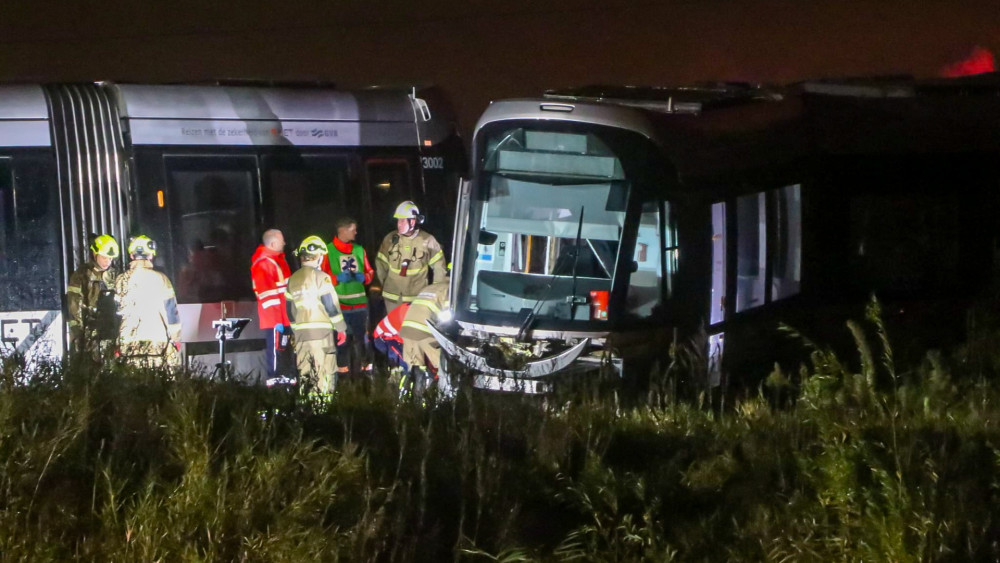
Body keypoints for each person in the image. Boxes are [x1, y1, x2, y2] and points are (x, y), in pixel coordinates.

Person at [285, 236, 348, 395]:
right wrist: (341, 328)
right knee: (324, 372)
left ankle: (307, 404)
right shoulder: (322, 277)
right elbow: (331, 307)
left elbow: (290, 311)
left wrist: (296, 330)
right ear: (318, 256)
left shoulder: (292, 280)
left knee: (306, 372)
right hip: (321, 334)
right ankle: (323, 406)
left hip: (301, 335)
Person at [114, 235, 182, 369]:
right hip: (156, 343)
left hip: (127, 344)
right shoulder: (162, 279)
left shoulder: (120, 280)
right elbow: (171, 314)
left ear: (132, 256)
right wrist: (176, 339)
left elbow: (116, 312)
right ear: (151, 255)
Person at [321, 216, 375, 377]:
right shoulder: (327, 251)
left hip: (360, 305)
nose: (356, 232)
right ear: (342, 231)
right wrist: (336, 278)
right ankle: (343, 378)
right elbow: (321, 278)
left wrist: (364, 277)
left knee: (363, 342)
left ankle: (367, 376)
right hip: (340, 307)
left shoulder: (359, 250)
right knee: (342, 344)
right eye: (353, 229)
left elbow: (370, 273)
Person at [376, 201, 447, 314]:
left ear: (412, 222)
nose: (399, 224)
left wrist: (435, 293)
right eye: (398, 220)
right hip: (392, 298)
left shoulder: (428, 240)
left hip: (416, 298)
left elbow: (439, 268)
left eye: (402, 220)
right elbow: (380, 265)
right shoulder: (390, 239)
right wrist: (381, 285)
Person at [66, 233, 120, 358]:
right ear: (95, 254)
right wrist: (78, 334)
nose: (107, 261)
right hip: (90, 333)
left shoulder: (115, 275)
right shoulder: (82, 275)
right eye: (104, 257)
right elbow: (74, 305)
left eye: (110, 258)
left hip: (112, 330)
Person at [251, 229, 291, 379]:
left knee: (283, 354)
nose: (285, 243)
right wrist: (276, 321)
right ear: (273, 243)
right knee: (275, 355)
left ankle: (284, 382)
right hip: (276, 319)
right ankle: (274, 383)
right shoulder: (264, 263)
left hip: (284, 317)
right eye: (282, 240)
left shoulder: (277, 261)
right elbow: (268, 297)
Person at [399, 280, 450, 395]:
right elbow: (449, 317)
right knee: (442, 367)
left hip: (407, 329)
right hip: (426, 331)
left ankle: (403, 397)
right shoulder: (449, 290)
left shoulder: (429, 288)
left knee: (413, 367)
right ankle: (434, 397)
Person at [372, 302, 410, 373]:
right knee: (405, 362)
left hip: (393, 337)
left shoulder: (409, 309)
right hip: (383, 339)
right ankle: (398, 373)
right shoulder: (405, 315)